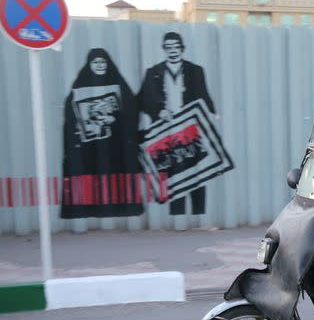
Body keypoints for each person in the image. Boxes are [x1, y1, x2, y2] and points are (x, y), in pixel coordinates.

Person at [138, 32, 216, 215]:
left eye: (176, 47)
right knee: (172, 175)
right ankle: (177, 215)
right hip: (166, 135)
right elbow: (142, 100)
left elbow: (205, 98)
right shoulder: (153, 72)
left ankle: (198, 215)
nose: (173, 51)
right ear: (164, 50)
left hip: (192, 132)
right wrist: (158, 112)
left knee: (197, 173)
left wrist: (212, 118)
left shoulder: (195, 71)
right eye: (169, 47)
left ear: (182, 49)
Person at [61, 48, 143, 219]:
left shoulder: (119, 85)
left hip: (115, 143)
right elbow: (70, 117)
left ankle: (122, 207)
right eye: (95, 62)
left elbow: (132, 110)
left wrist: (117, 120)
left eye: (103, 61)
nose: (99, 65)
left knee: (116, 177)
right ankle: (89, 209)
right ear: (89, 65)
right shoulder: (79, 87)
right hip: (89, 145)